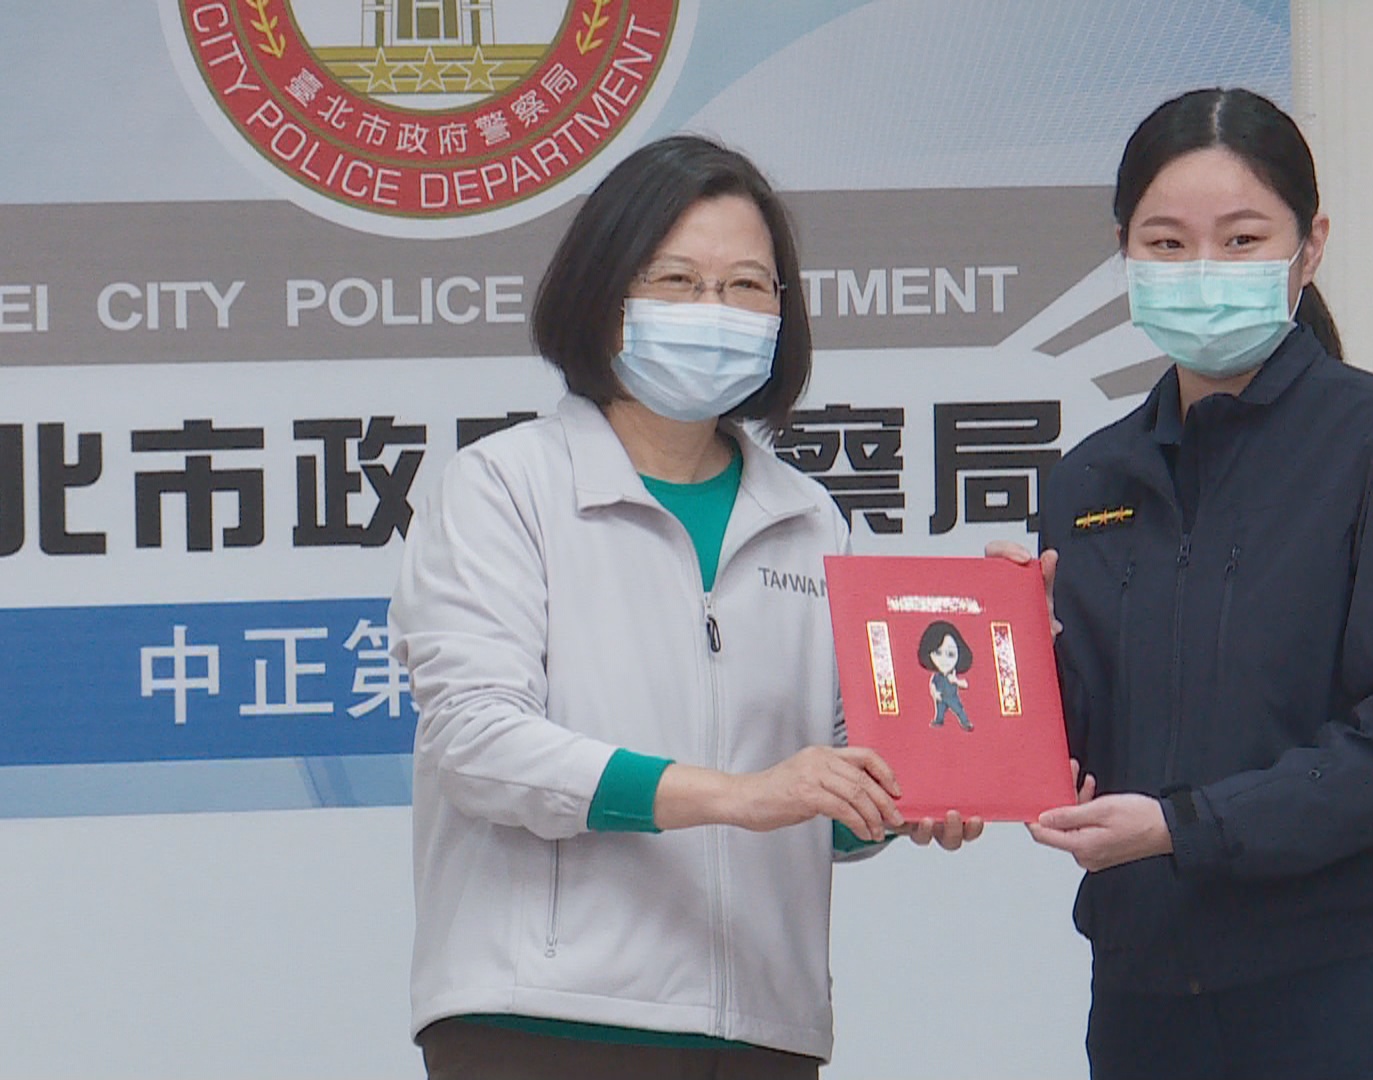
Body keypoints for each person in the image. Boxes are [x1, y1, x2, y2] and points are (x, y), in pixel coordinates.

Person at [390, 134, 981, 1080]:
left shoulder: (810, 519)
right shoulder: (503, 485)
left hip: (760, 1025)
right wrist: (739, 797)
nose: (715, 310)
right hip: (544, 1018)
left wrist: (905, 797)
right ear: (602, 293)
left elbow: (824, 786)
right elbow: (478, 743)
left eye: (747, 287)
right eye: (676, 280)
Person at [1002, 88, 1373, 1079]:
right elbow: (1089, 746)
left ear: (1309, 247)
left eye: (1241, 241)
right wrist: (1015, 666)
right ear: (1124, 253)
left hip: (1361, 991)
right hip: (1151, 1003)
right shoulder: (1090, 479)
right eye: (1166, 243)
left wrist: (1187, 826)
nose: (1203, 271)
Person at [916, 620, 975, 731]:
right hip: (941, 696)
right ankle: (939, 720)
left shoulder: (952, 674)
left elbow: (965, 684)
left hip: (952, 697)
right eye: (938, 653)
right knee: (940, 710)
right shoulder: (937, 675)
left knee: (958, 710)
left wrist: (955, 681)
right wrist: (935, 693)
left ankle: (965, 723)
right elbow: (932, 685)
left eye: (950, 654)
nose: (943, 660)